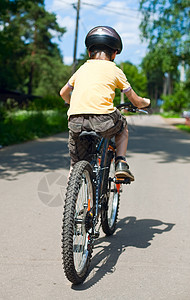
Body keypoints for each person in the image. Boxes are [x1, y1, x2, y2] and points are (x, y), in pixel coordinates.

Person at [60, 26, 151, 181]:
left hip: (75, 120)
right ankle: (121, 162)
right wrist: (145, 103)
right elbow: (134, 99)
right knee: (122, 125)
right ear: (114, 54)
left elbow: (63, 93)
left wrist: (73, 104)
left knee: (75, 164)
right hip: (103, 120)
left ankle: (71, 196)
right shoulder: (114, 69)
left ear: (89, 52)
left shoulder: (82, 69)